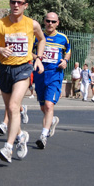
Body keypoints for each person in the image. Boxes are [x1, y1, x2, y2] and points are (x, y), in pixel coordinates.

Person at [0, 0, 45, 163]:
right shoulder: (0, 24)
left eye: (19, 2)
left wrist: (38, 59)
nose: (16, 5)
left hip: (23, 68)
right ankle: (21, 136)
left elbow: (42, 40)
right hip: (4, 69)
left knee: (13, 106)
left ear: (26, 5)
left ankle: (8, 148)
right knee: (11, 112)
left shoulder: (32, 24)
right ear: (9, 4)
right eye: (13, 2)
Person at [33, 12, 70, 149]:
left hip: (55, 74)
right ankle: (52, 120)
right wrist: (37, 58)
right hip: (40, 74)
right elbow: (29, 52)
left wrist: (65, 60)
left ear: (58, 23)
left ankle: (43, 135)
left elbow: (68, 50)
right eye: (48, 21)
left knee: (49, 105)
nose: (50, 23)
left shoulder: (62, 38)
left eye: (53, 22)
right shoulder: (37, 37)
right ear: (44, 21)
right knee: (43, 107)